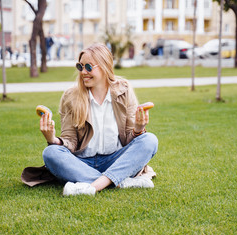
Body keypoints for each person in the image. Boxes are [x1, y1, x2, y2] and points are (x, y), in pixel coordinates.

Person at [40, 43, 158, 196]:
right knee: (50, 153)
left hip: (116, 160)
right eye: (80, 66)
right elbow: (70, 141)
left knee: (150, 140)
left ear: (104, 66)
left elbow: (130, 138)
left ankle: (91, 185)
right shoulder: (71, 96)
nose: (83, 72)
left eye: (88, 67)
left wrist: (138, 129)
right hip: (82, 163)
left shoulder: (124, 90)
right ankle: (119, 182)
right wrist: (52, 138)